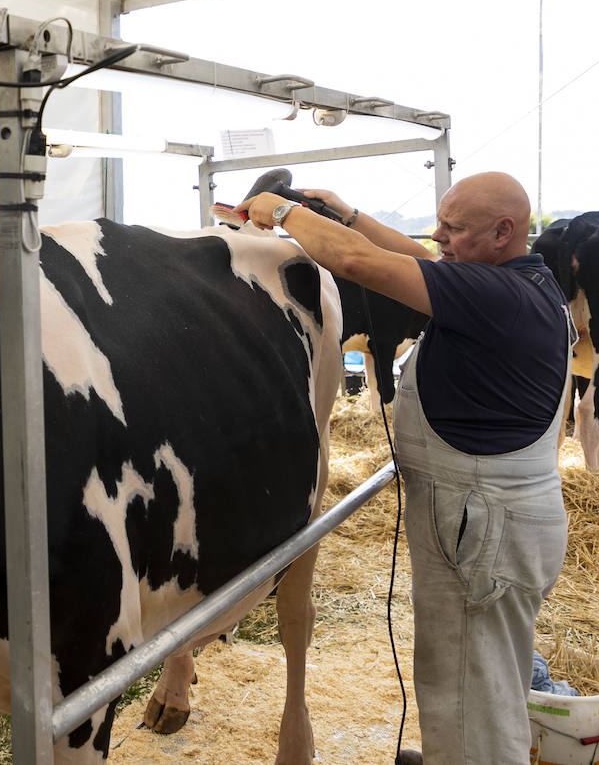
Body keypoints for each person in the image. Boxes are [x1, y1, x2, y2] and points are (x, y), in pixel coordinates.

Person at [240, 172, 573, 765]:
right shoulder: (521, 278)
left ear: (504, 232)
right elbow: (417, 255)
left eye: (455, 227)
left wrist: (281, 211)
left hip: (482, 525)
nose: (439, 235)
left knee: (474, 703)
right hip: (493, 518)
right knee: (479, 683)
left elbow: (354, 262)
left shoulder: (498, 297)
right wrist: (349, 211)